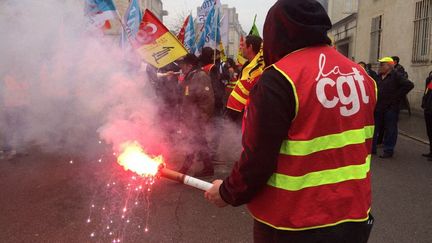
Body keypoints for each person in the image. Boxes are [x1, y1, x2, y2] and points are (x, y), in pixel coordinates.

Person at [205, 0, 376, 242]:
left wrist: (226, 193)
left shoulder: (279, 78)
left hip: (293, 222)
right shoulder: (362, 76)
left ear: (276, 33)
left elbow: (257, 159)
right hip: (354, 215)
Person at [177, 54, 215, 177]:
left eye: (183, 65)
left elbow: (207, 100)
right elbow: (188, 96)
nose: (181, 68)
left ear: (189, 65)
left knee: (195, 142)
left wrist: (202, 118)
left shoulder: (200, 76)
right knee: (199, 142)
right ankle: (207, 168)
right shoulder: (190, 76)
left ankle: (185, 169)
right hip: (192, 118)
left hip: (197, 118)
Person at [372, 57, 414, 158]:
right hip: (378, 107)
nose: (380, 67)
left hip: (391, 108)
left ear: (389, 66)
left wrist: (396, 97)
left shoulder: (396, 76)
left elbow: (409, 85)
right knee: (374, 128)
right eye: (380, 65)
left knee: (390, 129)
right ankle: (372, 148)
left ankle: (388, 150)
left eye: (382, 65)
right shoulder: (378, 77)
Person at [225, 35, 265, 123]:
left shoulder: (259, 70)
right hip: (234, 118)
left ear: (250, 47)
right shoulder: (247, 66)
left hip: (244, 119)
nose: (240, 48)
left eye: (243, 45)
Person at [421, 71, 432, 160]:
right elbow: (426, 92)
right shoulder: (430, 78)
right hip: (428, 109)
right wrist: (424, 103)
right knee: (429, 132)